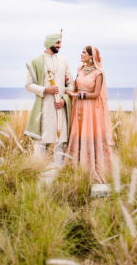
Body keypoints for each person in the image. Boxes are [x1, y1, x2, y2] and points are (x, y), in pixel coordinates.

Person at [24, 32, 75, 165]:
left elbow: (71, 84)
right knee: (41, 141)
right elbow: (28, 85)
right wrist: (46, 90)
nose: (60, 46)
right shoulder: (35, 62)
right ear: (49, 43)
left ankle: (58, 171)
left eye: (60, 43)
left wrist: (64, 100)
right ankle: (38, 169)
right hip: (44, 107)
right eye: (57, 43)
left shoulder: (63, 61)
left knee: (60, 140)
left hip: (60, 107)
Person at [66, 46, 114, 182]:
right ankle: (75, 165)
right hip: (78, 106)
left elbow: (96, 94)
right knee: (78, 132)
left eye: (84, 52)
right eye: (81, 51)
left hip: (90, 107)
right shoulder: (79, 70)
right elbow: (75, 86)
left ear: (91, 56)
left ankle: (90, 166)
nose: (81, 54)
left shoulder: (98, 73)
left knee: (88, 132)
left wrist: (78, 95)